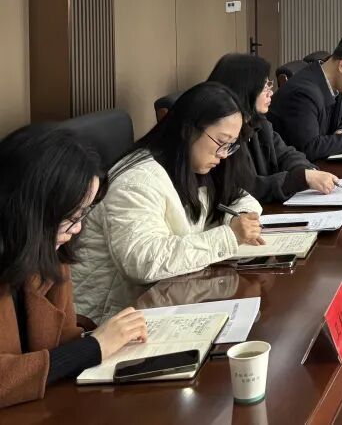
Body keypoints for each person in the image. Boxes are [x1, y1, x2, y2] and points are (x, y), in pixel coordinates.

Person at [72, 83, 264, 322]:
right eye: (221, 142)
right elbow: (143, 261)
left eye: (231, 145)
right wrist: (229, 236)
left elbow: (239, 198)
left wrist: (239, 218)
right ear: (188, 130)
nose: (224, 154)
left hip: (161, 303)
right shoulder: (136, 181)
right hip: (107, 319)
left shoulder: (194, 164)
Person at [0, 127, 148, 407]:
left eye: (82, 213)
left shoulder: (48, 251)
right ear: (28, 207)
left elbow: (61, 339)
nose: (77, 228)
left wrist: (106, 341)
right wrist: (93, 347)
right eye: (70, 215)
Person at [207, 53, 339, 203]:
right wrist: (301, 178)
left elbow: (286, 154)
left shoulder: (258, 121)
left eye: (269, 85)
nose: (270, 92)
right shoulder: (225, 135)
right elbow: (247, 188)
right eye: (264, 87)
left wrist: (307, 172)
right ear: (245, 89)